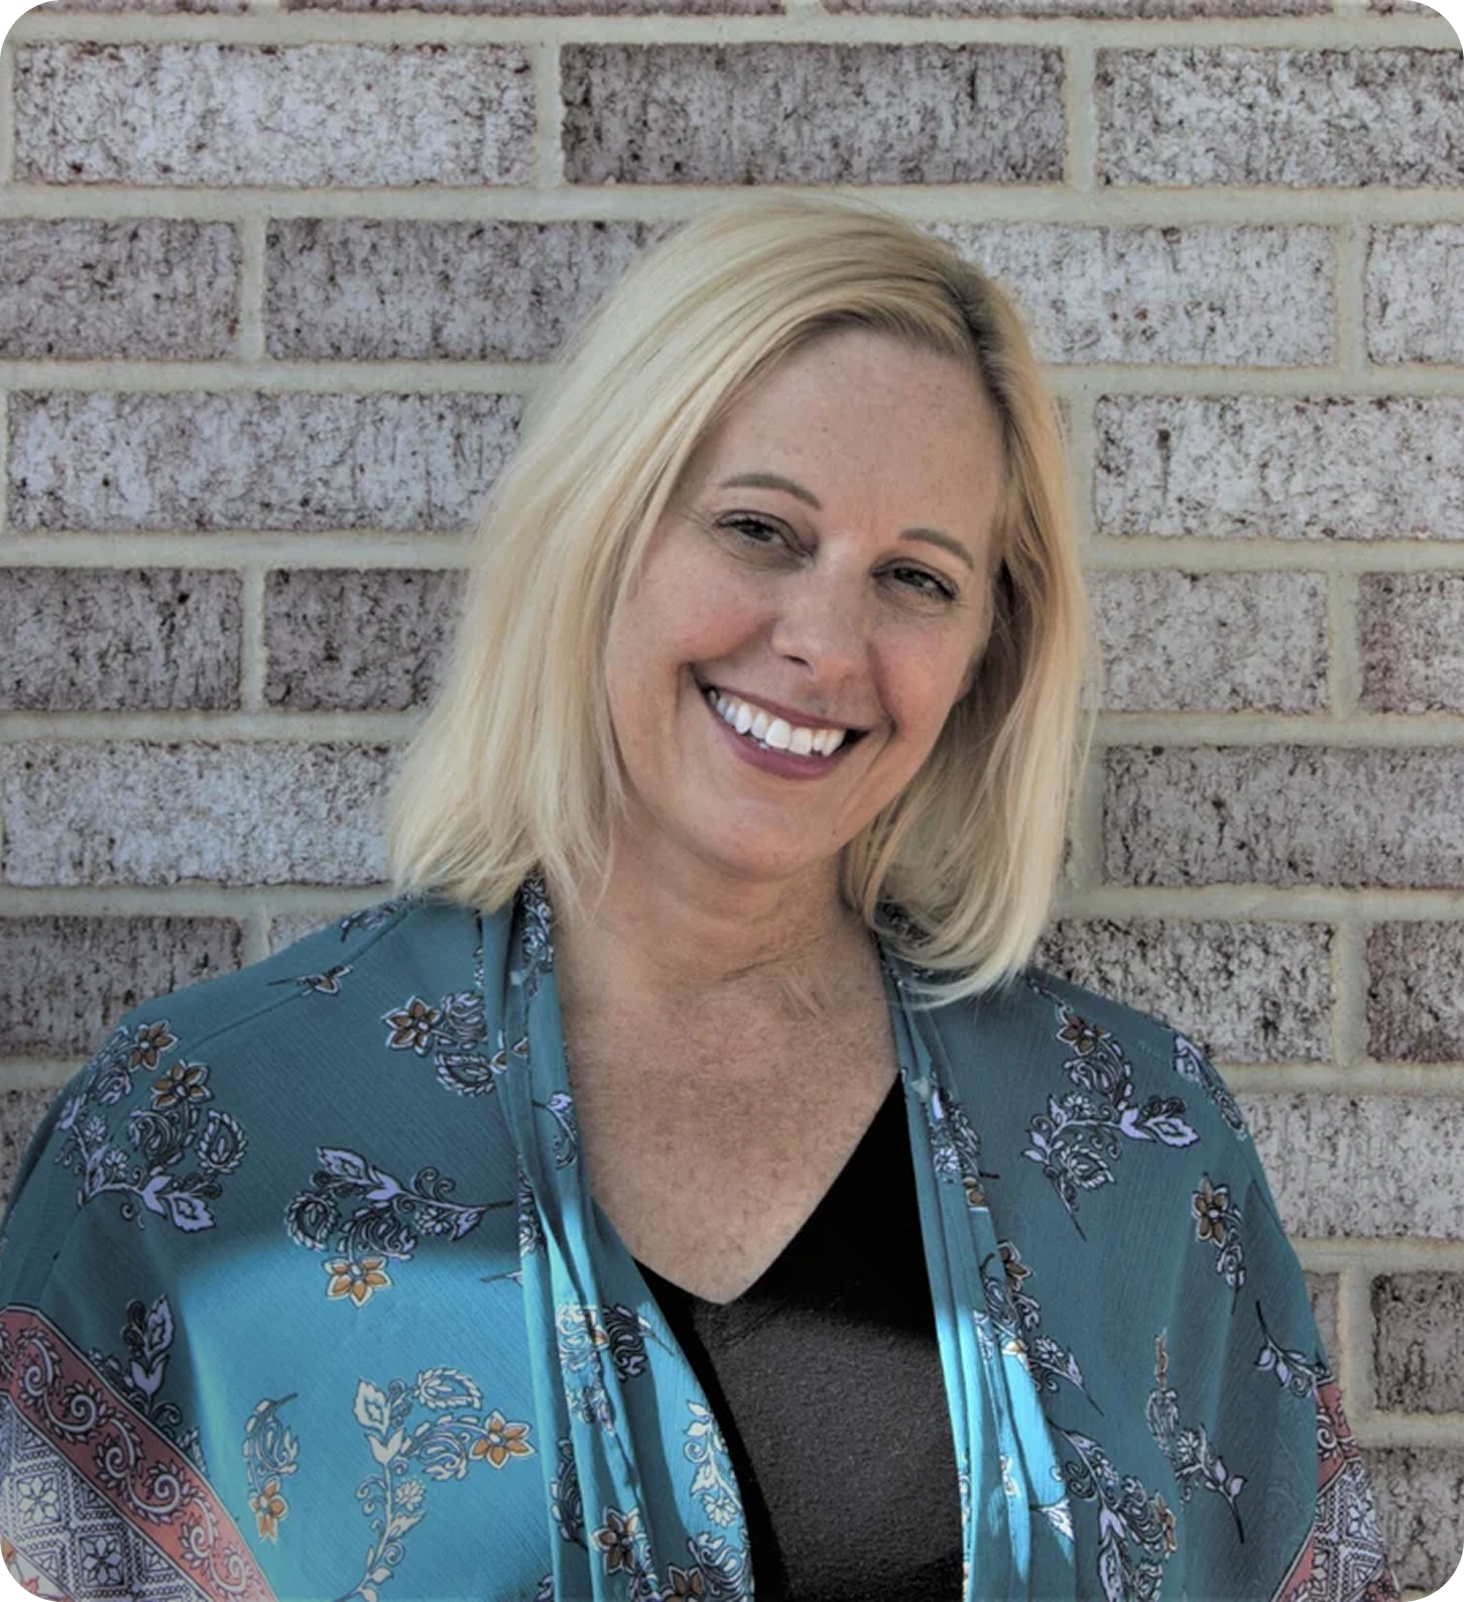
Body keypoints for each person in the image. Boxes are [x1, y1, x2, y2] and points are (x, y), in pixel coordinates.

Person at [0, 195, 1395, 1602]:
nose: (825, 643)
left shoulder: (1138, 1147)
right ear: (598, 531)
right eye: (759, 529)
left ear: (988, 650)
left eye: (916, 576)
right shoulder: (195, 1143)